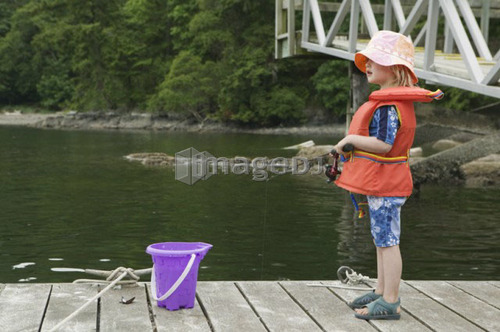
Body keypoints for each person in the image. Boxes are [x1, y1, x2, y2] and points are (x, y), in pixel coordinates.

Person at [333, 30, 443, 320]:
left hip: (387, 183)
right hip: (384, 182)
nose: (367, 65)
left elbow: (384, 144)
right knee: (381, 238)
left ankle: (391, 300)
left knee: (388, 241)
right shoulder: (388, 101)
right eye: (366, 60)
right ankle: (382, 290)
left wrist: (350, 141)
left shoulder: (388, 106)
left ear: (394, 69)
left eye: (374, 60)